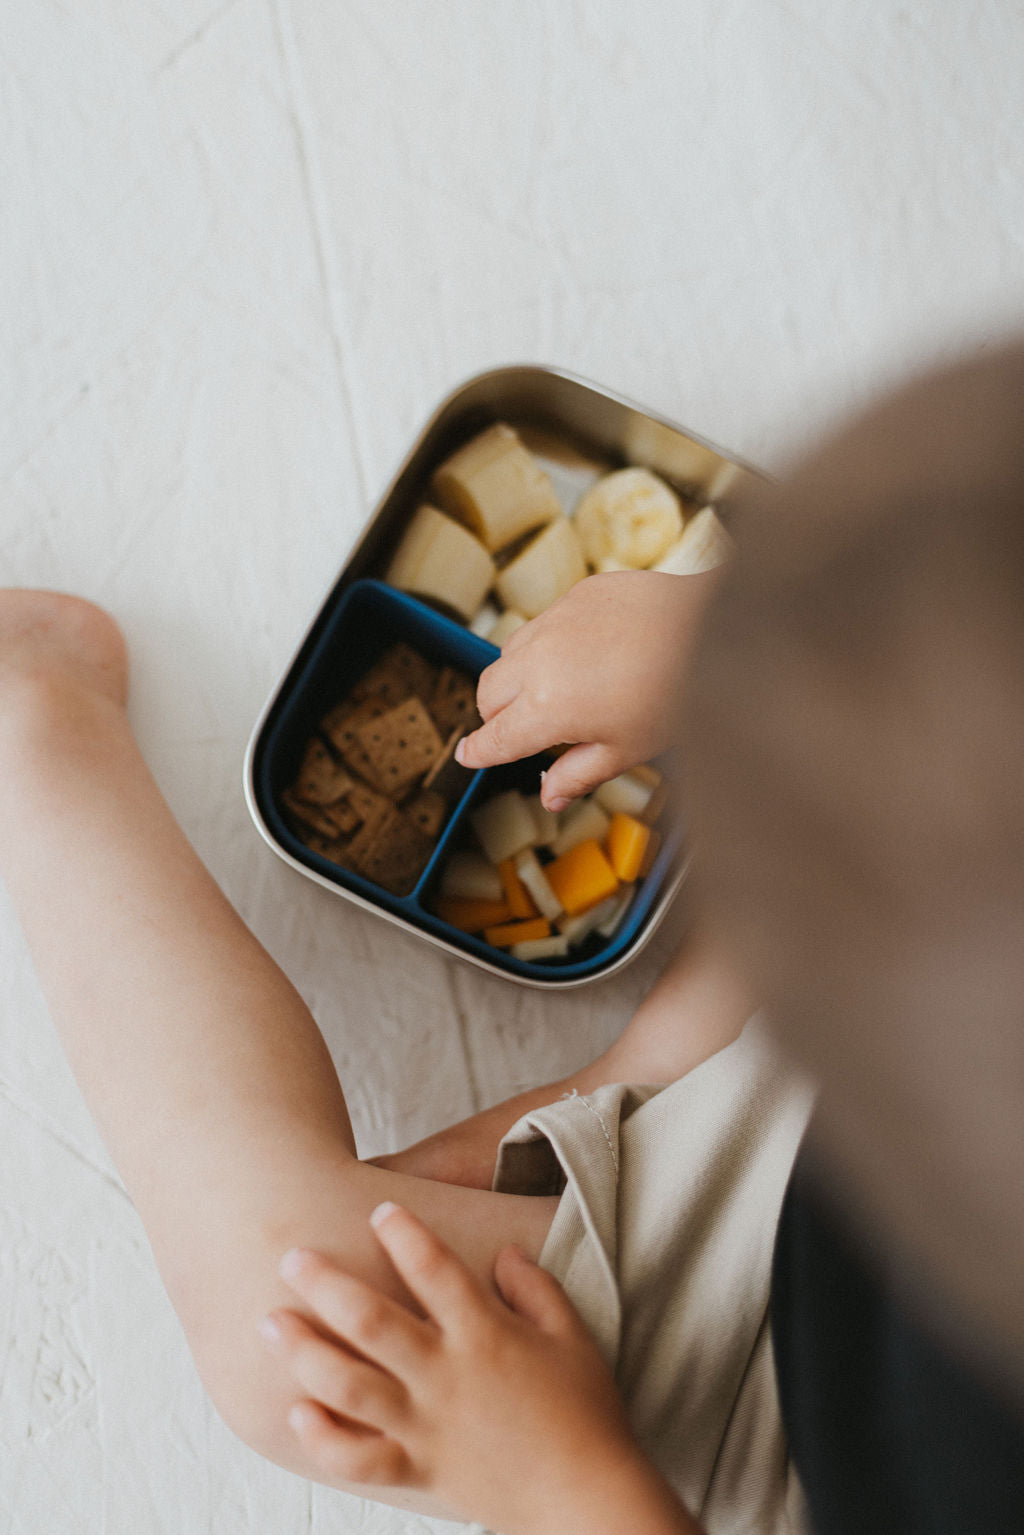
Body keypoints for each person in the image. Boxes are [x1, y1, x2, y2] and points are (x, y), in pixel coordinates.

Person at [3, 339, 1024, 1534]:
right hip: (853, 1156)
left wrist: (566, 1484)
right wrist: (716, 641)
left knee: (283, 1311)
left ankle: (35, 704)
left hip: (816, 1435)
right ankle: (669, 1061)